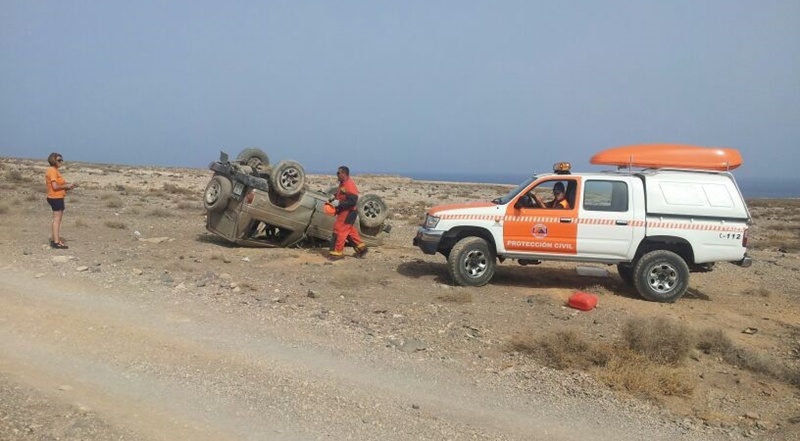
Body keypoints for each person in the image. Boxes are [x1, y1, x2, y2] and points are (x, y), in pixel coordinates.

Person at [328, 166, 368, 260]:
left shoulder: (349, 185)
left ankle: (336, 253)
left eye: (338, 173)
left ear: (344, 174)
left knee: (339, 230)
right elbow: (342, 195)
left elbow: (353, 200)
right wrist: (333, 198)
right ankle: (362, 249)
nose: (337, 175)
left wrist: (339, 203)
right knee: (349, 231)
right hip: (346, 212)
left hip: (348, 212)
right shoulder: (343, 184)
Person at [45, 152, 78, 249]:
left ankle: (54, 240)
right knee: (57, 220)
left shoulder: (55, 170)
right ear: (53, 160)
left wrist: (68, 187)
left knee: (57, 220)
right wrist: (66, 186)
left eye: (62, 160)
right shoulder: (52, 171)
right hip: (55, 197)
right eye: (59, 160)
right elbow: (55, 187)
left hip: (58, 197)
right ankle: (56, 242)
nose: (61, 162)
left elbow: (58, 186)